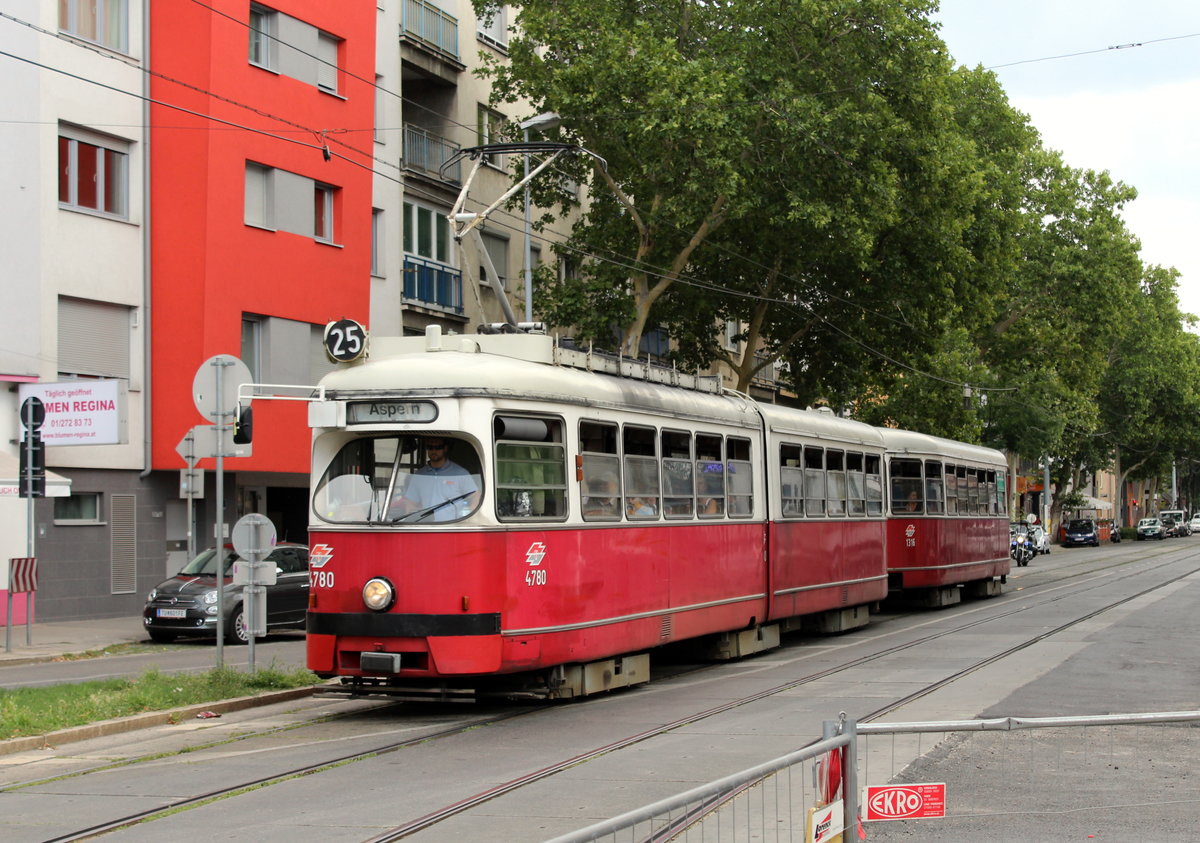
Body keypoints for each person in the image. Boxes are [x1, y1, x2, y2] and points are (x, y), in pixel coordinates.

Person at [392, 438, 479, 522]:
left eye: (438, 447)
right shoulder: (419, 475)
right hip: (427, 527)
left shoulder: (460, 473)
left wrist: (470, 519)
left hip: (453, 528)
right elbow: (410, 502)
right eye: (430, 447)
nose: (434, 451)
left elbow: (475, 496)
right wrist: (413, 515)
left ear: (445, 448)